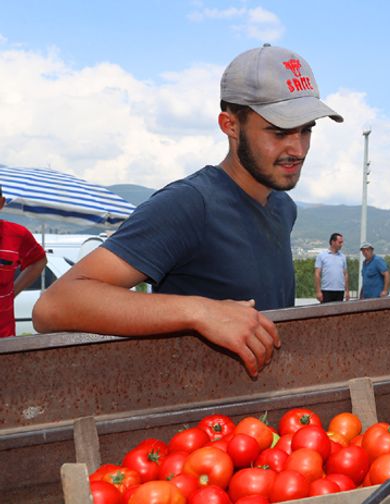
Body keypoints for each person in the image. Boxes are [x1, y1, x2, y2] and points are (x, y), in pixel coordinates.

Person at [33, 44, 343, 376]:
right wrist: (200, 311)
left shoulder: (283, 206)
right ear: (230, 125)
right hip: (198, 417)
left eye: (306, 129)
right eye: (279, 132)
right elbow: (54, 305)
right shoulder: (191, 204)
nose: (297, 148)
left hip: (261, 416)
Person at [0, 186, 48, 337]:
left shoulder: (17, 234)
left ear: (1, 203)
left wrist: (12, 291)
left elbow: (39, 261)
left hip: (4, 339)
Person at [314, 232, 349, 303]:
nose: (341, 245)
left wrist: (347, 291)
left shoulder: (343, 257)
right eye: (340, 242)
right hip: (326, 290)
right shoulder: (322, 256)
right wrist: (318, 291)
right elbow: (317, 274)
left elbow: (345, 274)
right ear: (333, 242)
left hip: (340, 290)